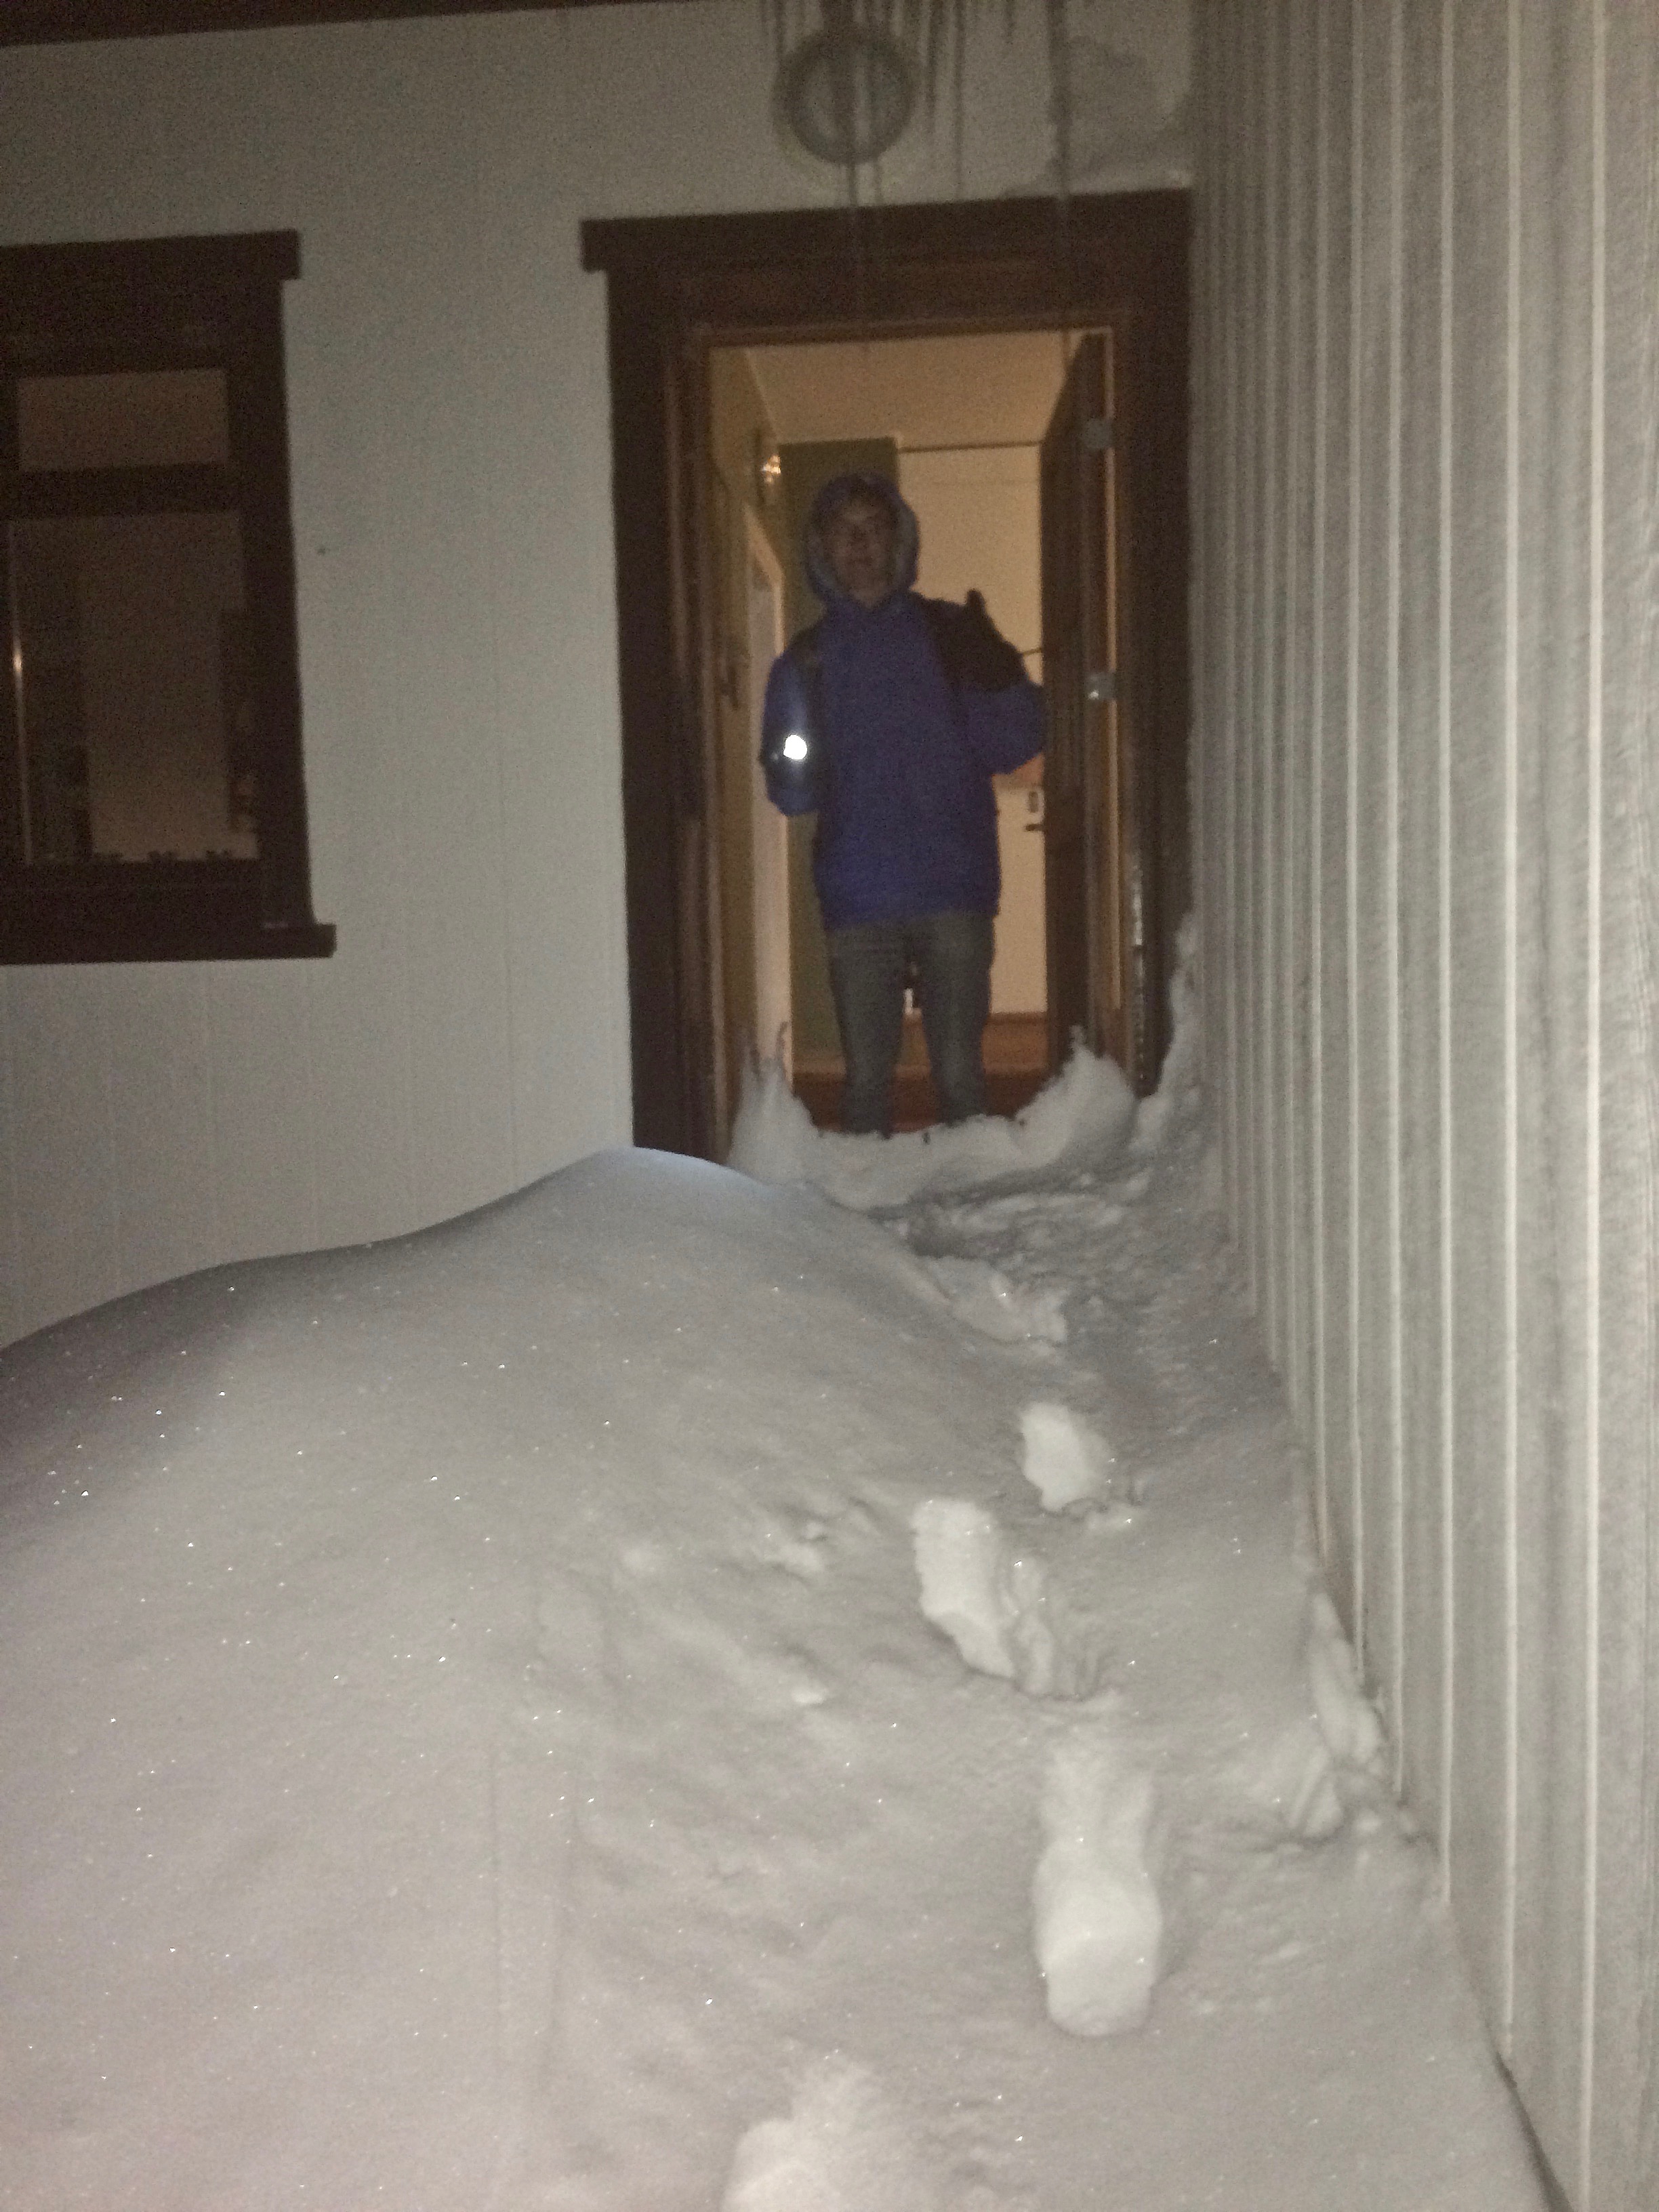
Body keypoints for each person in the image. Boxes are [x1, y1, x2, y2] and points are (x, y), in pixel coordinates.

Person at [759, 470, 1045, 1136]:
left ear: (899, 540)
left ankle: (972, 1226)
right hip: (860, 897)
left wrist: (1002, 676)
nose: (859, 543)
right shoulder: (806, 662)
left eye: (874, 527)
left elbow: (1015, 743)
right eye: (843, 530)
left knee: (960, 1077)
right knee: (864, 1087)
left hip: (955, 889)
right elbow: (791, 790)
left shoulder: (948, 636)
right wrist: (796, 745)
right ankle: (860, 1237)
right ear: (822, 548)